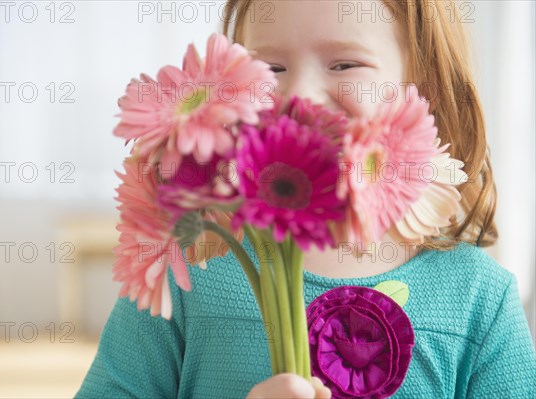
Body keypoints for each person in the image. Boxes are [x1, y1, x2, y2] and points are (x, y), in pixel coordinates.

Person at [76, 1, 536, 398]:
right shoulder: (185, 272)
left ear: (425, 89)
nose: (297, 96)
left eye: (344, 65)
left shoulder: (481, 301)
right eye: (271, 68)